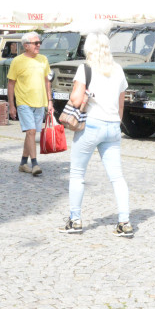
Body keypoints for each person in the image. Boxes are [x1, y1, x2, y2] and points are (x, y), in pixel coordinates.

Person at [60, 32, 133, 237]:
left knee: (77, 174)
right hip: (112, 126)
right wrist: (117, 124)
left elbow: (75, 100)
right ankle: (124, 221)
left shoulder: (85, 68)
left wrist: (78, 90)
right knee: (117, 177)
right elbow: (121, 102)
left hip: (91, 125)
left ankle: (75, 220)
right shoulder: (118, 69)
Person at [7, 31, 53, 175]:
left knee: (30, 134)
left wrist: (50, 101)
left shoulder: (43, 59)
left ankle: (22, 163)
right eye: (35, 43)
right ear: (26, 45)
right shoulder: (17, 61)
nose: (38, 45)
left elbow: (47, 81)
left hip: (40, 102)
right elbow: (10, 84)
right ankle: (35, 164)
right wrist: (12, 105)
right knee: (31, 132)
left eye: (39, 43)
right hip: (24, 101)